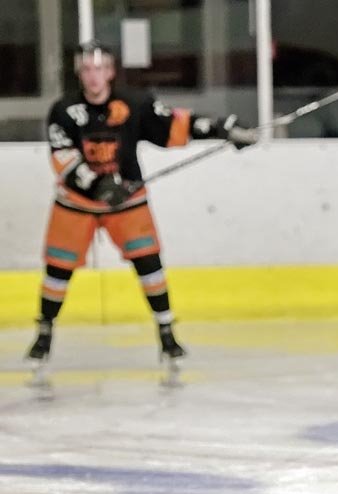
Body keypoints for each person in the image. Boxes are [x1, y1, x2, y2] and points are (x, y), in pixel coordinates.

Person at [26, 41, 258, 371]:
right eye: (87, 69)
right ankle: (44, 333)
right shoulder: (63, 110)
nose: (93, 76)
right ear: (79, 73)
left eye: (99, 68)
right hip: (76, 202)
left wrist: (221, 128)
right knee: (58, 269)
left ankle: (167, 333)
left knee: (149, 263)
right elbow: (62, 157)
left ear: (110, 71)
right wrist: (99, 185)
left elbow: (172, 125)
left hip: (127, 200)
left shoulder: (134, 103)